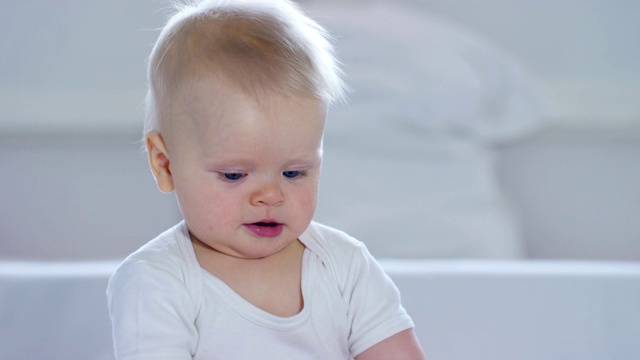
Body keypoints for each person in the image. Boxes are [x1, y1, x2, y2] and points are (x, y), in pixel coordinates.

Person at [107, 0, 425, 359]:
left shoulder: (344, 266)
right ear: (165, 165)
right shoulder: (158, 281)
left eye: (294, 173)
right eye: (234, 175)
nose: (270, 195)